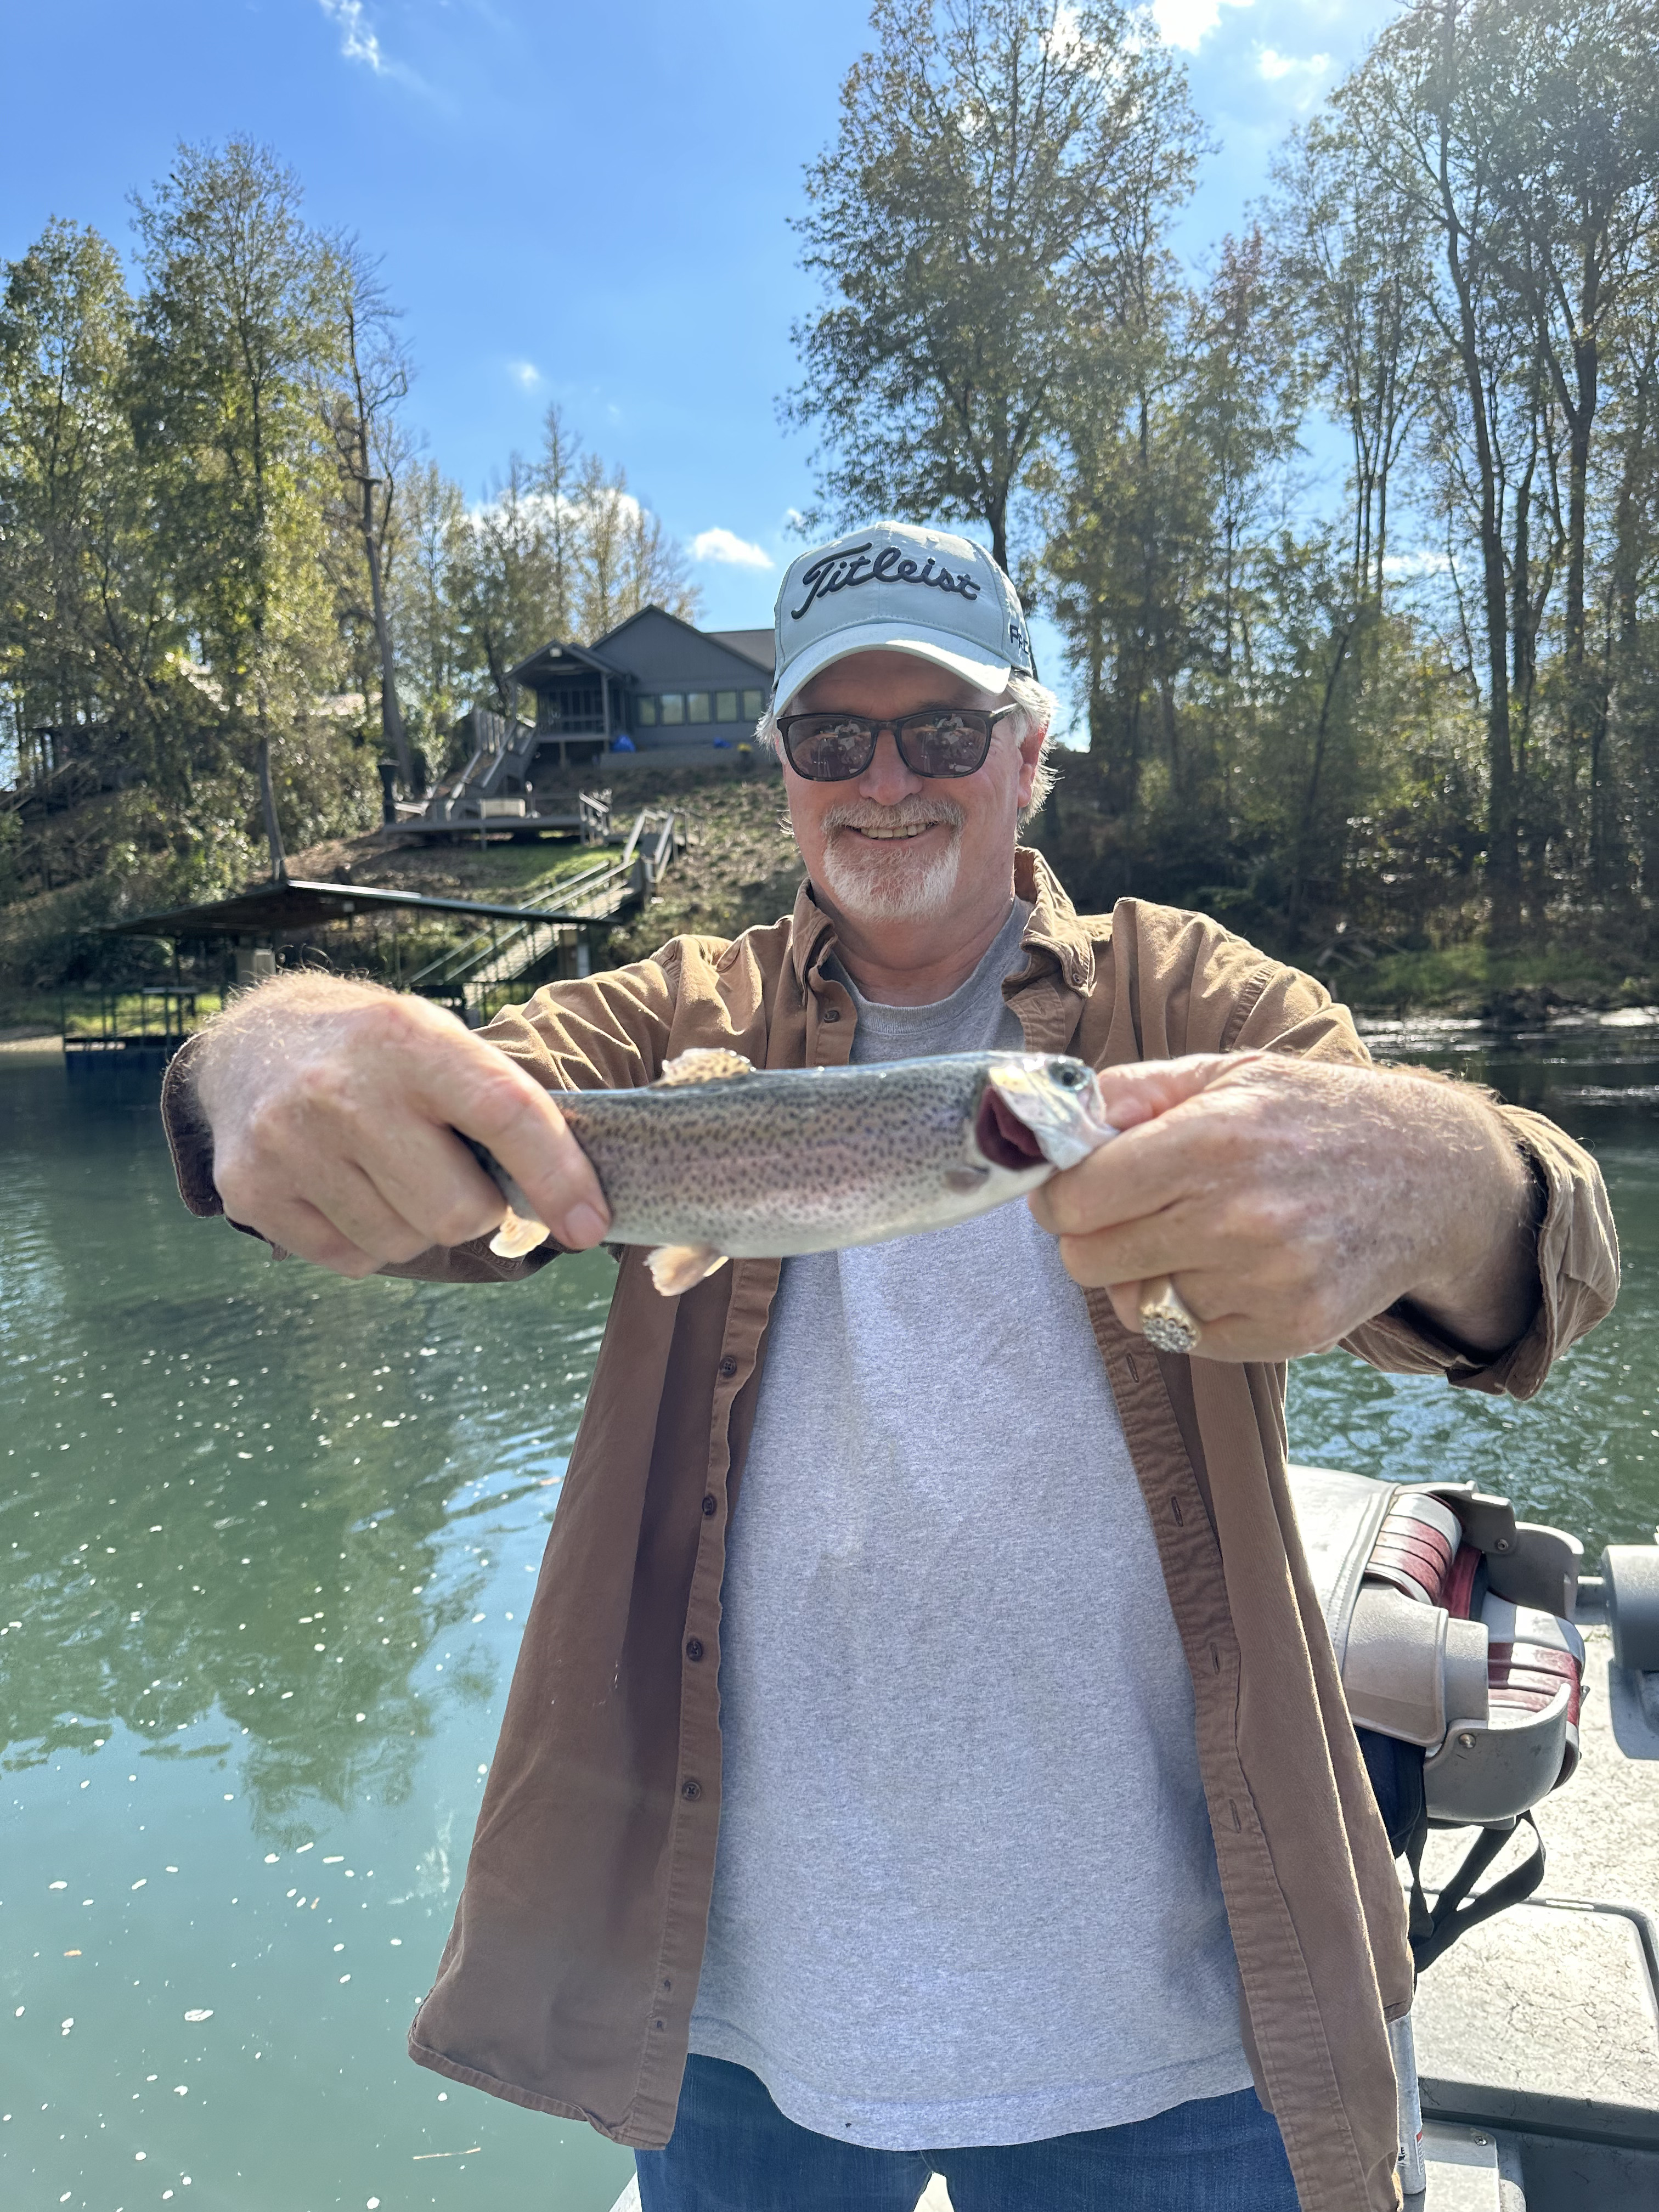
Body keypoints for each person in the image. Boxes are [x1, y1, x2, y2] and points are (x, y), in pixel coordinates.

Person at [161, 521, 1617, 2212]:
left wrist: (1444, 1178)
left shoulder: (1191, 999)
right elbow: (391, 1124)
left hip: (1189, 2015)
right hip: (728, 2005)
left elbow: (1550, 1255)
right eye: (831, 739)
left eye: (941, 732)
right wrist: (262, 1063)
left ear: (1028, 751)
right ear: (781, 765)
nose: (888, 782)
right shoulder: (664, 1019)